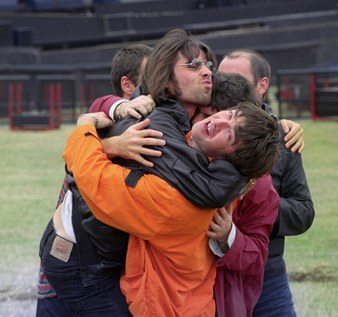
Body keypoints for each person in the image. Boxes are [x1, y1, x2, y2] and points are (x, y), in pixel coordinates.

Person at [39, 29, 280, 316]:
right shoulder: (177, 140)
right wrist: (112, 136)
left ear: (234, 155)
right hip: (90, 258)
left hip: (145, 291)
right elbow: (114, 105)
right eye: (212, 115)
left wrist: (83, 129)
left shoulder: (187, 188)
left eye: (228, 132)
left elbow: (95, 177)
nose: (211, 122)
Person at [36, 44, 155, 316]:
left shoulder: (148, 121)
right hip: (74, 257)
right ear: (128, 84)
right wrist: (123, 108)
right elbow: (101, 105)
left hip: (88, 259)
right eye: (153, 74)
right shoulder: (108, 117)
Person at [218, 49, 315, 316]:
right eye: (221, 79)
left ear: (262, 86)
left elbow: (303, 211)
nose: (228, 86)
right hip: (212, 276)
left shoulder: (284, 137)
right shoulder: (204, 126)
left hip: (267, 277)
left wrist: (254, 206)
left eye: (237, 79)